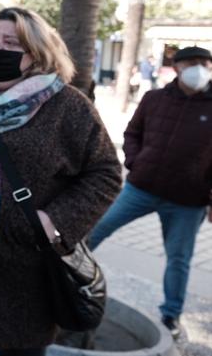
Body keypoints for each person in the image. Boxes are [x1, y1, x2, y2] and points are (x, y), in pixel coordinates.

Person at [0, 7, 122, 356]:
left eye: (13, 43)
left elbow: (105, 173)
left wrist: (54, 222)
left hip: (28, 269)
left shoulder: (68, 106)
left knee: (21, 347)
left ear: (37, 53)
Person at [89, 45, 212, 340]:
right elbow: (132, 133)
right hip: (140, 188)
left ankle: (171, 314)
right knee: (94, 230)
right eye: (192, 63)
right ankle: (61, 279)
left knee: (179, 259)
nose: (199, 69)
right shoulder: (154, 98)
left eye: (205, 64)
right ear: (178, 68)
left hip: (187, 201)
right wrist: (135, 162)